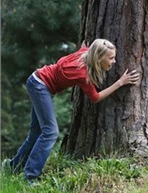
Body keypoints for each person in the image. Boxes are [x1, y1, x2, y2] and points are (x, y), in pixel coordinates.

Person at [2, 38, 140, 183]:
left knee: (36, 133)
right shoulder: (82, 73)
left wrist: (86, 48)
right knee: (50, 132)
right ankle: (30, 177)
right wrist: (120, 82)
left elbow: (84, 49)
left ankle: (12, 167)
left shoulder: (85, 54)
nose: (114, 61)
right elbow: (95, 97)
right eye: (111, 58)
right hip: (40, 85)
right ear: (98, 58)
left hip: (37, 82)